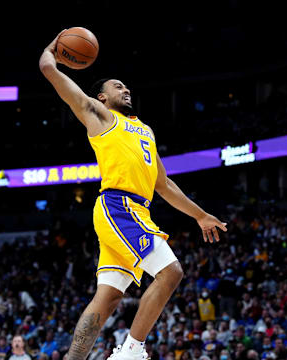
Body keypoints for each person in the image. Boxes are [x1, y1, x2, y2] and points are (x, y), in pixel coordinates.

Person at [39, 32, 227, 360]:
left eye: (126, 86)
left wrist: (199, 214)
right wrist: (54, 48)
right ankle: (131, 351)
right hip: (117, 206)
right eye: (117, 86)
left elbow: (163, 185)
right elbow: (49, 71)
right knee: (171, 272)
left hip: (137, 210)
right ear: (102, 96)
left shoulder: (145, 130)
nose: (125, 89)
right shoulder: (99, 116)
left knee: (108, 298)